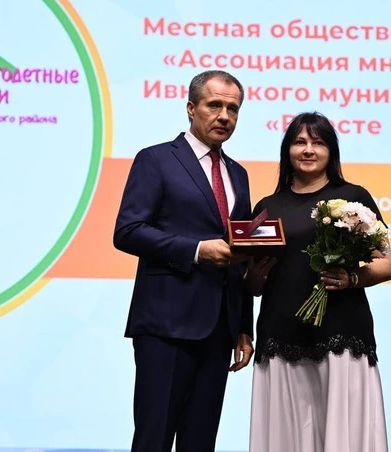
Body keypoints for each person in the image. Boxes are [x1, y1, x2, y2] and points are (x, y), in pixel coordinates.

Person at [113, 70, 255, 452]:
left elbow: (240, 254)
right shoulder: (156, 159)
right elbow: (128, 231)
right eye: (214, 105)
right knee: (154, 439)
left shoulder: (238, 174)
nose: (224, 116)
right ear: (191, 108)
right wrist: (196, 250)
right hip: (165, 326)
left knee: (200, 442)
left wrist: (243, 326)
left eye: (233, 109)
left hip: (219, 330)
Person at [245, 111, 391, 452]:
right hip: (280, 332)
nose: (308, 150)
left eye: (318, 143)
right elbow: (253, 284)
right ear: (287, 150)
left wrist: (351, 278)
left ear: (331, 151)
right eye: (299, 142)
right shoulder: (266, 207)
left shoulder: (354, 198)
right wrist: (254, 277)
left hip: (340, 331)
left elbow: (386, 265)